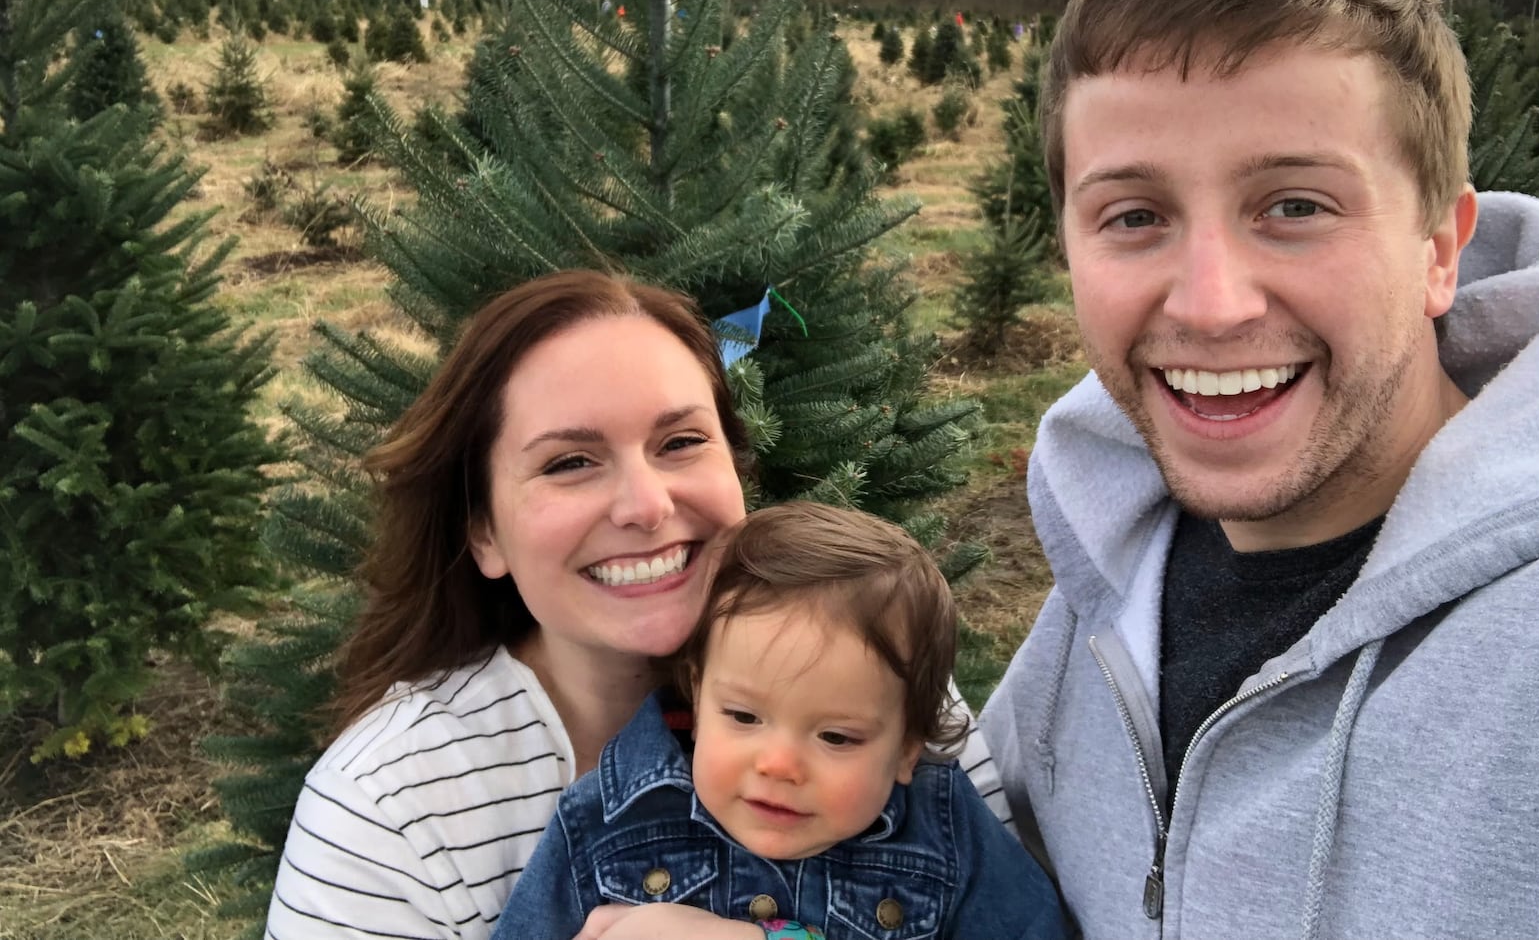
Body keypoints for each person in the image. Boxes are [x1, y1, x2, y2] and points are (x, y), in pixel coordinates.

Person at [980, 0, 1539, 940]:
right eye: (1134, 216)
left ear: (1439, 247)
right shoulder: (1104, 576)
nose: (1210, 301)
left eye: (1295, 206)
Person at [266, 271, 1012, 940]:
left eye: (682, 441)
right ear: (485, 532)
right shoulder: (392, 808)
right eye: (570, 462)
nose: (647, 506)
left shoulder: (873, 678)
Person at [493, 502, 1067, 940]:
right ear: (697, 694)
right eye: (744, 716)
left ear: (906, 749)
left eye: (836, 736)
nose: (779, 765)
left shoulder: (942, 829)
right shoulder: (606, 822)